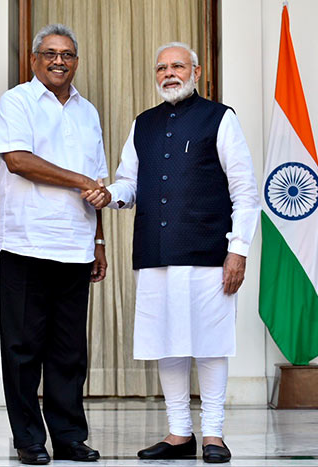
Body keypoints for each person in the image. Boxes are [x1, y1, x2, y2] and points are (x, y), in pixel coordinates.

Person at [84, 42, 260, 463]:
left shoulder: (220, 118)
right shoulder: (142, 123)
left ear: (196, 72)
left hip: (209, 253)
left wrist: (238, 250)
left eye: (178, 65)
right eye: (161, 67)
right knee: (169, 343)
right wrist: (109, 195)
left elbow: (245, 191)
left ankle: (213, 434)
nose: (169, 73)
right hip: (155, 253)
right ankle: (179, 433)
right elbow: (129, 183)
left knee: (211, 343)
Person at [0, 23, 110, 465]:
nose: (59, 61)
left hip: (76, 247)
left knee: (68, 351)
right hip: (27, 242)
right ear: (34, 59)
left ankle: (68, 437)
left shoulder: (88, 111)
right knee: (23, 349)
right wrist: (79, 180)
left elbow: (97, 184)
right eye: (50, 53)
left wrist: (98, 239)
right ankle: (28, 440)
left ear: (76, 61)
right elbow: (18, 160)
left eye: (67, 54)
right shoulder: (16, 101)